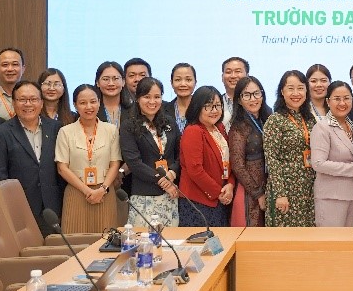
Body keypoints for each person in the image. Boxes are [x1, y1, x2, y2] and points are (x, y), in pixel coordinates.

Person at [0, 80, 63, 223]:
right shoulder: (2, 133)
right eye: (22, 100)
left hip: (53, 207)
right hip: (19, 208)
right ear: (14, 103)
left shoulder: (55, 128)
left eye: (33, 99)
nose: (28, 104)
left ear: (41, 103)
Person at [55, 84, 122, 233]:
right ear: (75, 105)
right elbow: (62, 168)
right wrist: (87, 191)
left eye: (93, 101)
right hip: (77, 193)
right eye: (83, 103)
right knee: (75, 238)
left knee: (106, 239)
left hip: (104, 193)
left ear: (99, 102)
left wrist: (102, 189)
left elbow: (115, 163)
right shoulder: (65, 131)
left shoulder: (111, 130)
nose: (89, 107)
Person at [120, 77, 181, 230]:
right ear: (137, 98)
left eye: (157, 97)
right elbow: (134, 162)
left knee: (171, 240)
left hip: (170, 194)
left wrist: (172, 173)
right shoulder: (128, 125)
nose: (152, 101)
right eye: (147, 97)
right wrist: (161, 179)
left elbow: (181, 154)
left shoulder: (170, 122)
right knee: (145, 241)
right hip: (144, 195)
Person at [263, 71, 315, 227]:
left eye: (300, 88)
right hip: (286, 189)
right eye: (290, 88)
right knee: (285, 237)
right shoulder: (275, 120)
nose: (296, 93)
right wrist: (280, 194)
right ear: (282, 91)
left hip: (309, 189)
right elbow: (272, 159)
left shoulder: (310, 119)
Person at [180, 85, 235, 226]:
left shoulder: (219, 128)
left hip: (220, 199)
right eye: (209, 106)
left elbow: (228, 162)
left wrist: (230, 184)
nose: (214, 110)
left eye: (218, 105)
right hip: (199, 202)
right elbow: (195, 170)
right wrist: (218, 192)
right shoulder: (193, 131)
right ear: (197, 107)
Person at [311, 81, 353, 227]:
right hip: (331, 198)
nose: (342, 103)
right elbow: (318, 163)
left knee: (351, 240)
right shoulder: (322, 127)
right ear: (328, 101)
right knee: (332, 240)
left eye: (346, 98)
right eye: (337, 99)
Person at [227, 75, 270, 227]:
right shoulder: (238, 128)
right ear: (239, 100)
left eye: (256, 93)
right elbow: (237, 165)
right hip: (249, 191)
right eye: (247, 95)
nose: (253, 99)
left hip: (268, 186)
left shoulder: (267, 119)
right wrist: (258, 193)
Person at [0, 47, 25, 120]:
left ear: (23, 69)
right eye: (5, 65)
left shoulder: (33, 97)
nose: (10, 69)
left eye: (15, 64)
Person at [95, 61, 129, 129]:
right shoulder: (92, 110)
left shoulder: (134, 109)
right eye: (106, 79)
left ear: (123, 82)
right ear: (97, 83)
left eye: (115, 78)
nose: (111, 83)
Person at [165, 63, 197, 134]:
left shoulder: (202, 109)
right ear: (171, 83)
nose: (183, 84)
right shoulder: (162, 110)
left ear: (195, 82)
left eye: (188, 80)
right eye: (178, 80)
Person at [220, 56, 250, 126]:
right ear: (222, 77)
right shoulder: (215, 105)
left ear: (247, 76)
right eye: (228, 72)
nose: (233, 76)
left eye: (238, 71)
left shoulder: (256, 103)